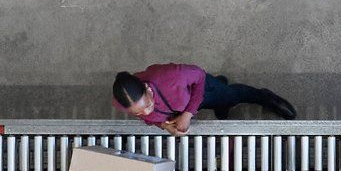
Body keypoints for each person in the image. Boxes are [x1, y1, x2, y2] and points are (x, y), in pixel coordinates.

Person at [112, 63, 295, 135]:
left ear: (146, 88)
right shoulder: (126, 102)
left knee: (231, 96)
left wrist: (188, 114)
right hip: (180, 106)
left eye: (148, 105)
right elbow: (149, 119)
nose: (146, 112)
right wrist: (165, 126)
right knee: (221, 101)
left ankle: (265, 97)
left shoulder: (172, 77)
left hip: (199, 89)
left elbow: (198, 75)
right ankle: (220, 89)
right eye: (138, 113)